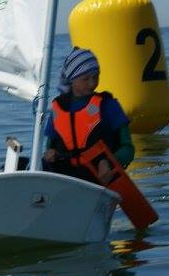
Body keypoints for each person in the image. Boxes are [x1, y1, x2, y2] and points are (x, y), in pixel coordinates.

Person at [40, 48, 135, 185]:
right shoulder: (58, 108)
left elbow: (128, 149)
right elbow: (49, 147)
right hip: (65, 178)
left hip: (99, 179)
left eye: (96, 77)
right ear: (72, 79)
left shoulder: (108, 105)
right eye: (85, 78)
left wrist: (107, 162)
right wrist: (50, 154)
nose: (92, 83)